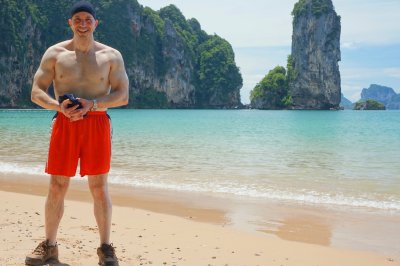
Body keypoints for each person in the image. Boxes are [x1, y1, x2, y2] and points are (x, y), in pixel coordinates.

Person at [25, 1, 129, 265]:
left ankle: (106, 248)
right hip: (65, 122)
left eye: (88, 19)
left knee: (99, 187)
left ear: (96, 23)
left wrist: (92, 104)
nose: (83, 24)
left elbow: (122, 95)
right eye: (78, 19)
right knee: (57, 185)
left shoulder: (111, 56)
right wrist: (57, 106)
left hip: (96, 122)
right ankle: (49, 245)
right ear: (70, 23)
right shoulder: (55, 53)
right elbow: (37, 91)